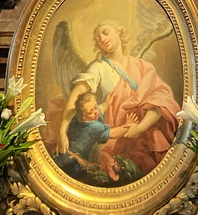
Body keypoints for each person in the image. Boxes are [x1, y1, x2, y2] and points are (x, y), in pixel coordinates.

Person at [57, 21, 180, 180]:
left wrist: (140, 128)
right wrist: (62, 129)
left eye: (105, 32)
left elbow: (160, 100)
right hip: (119, 139)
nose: (102, 38)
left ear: (119, 32)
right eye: (98, 38)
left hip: (147, 134)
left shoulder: (142, 66)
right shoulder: (98, 67)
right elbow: (77, 94)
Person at [55, 91, 137, 181]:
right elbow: (113, 133)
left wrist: (106, 104)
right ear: (85, 118)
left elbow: (98, 109)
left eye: (95, 107)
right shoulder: (94, 127)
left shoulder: (77, 117)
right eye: (91, 111)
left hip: (62, 154)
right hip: (75, 162)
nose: (95, 111)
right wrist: (127, 125)